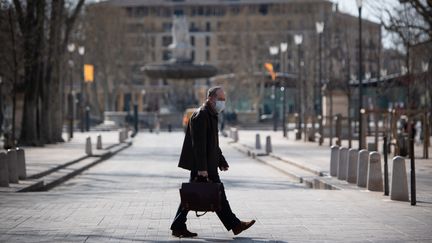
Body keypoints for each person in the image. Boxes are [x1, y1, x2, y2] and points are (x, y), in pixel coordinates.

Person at [170, 86, 255, 238]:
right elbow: (199, 145)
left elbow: (212, 143)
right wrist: (203, 168)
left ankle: (178, 226)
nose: (223, 102)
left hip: (208, 164)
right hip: (203, 166)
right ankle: (235, 225)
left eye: (224, 99)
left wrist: (220, 160)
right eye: (220, 99)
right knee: (213, 194)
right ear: (211, 98)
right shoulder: (201, 115)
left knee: (199, 194)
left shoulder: (211, 114)